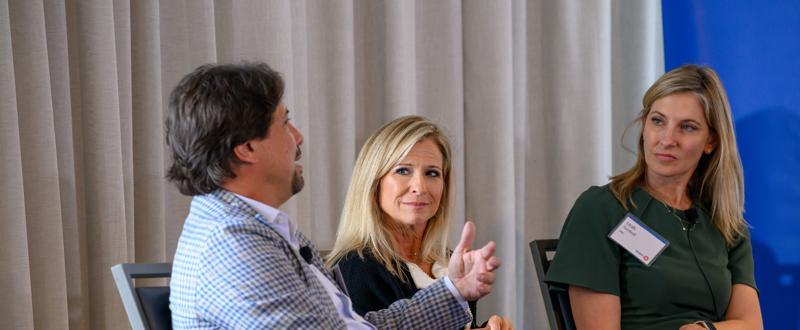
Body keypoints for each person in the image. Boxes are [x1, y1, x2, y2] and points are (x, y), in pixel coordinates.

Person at [165, 62, 501, 329]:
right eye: (284, 124)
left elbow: (359, 326)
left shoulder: (254, 231)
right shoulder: (234, 245)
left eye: (432, 174)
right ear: (247, 148)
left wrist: (454, 290)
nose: (298, 137)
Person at [545, 64, 763, 330]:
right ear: (644, 126)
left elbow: (751, 324)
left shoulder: (727, 225)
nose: (667, 139)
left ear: (711, 142)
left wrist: (705, 329)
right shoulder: (601, 209)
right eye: (658, 121)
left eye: (687, 127)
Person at [326, 116, 513, 329]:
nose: (420, 187)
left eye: (432, 173)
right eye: (403, 171)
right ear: (373, 183)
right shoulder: (357, 268)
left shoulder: (449, 261)